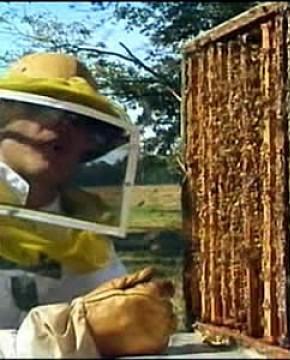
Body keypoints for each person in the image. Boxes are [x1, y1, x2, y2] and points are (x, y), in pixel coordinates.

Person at [0, 53, 177, 357]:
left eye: (79, 120)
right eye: (42, 107)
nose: (62, 126)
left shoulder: (87, 229)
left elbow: (112, 321)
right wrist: (51, 341)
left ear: (90, 144)